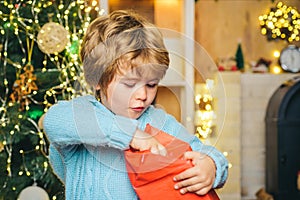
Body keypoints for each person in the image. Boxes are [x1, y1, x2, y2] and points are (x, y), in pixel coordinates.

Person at [41, 10, 228, 199]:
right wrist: (130, 134)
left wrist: (211, 166)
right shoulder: (82, 113)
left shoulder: (159, 121)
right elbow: (53, 120)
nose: (143, 95)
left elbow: (201, 150)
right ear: (97, 80)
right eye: (130, 84)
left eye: (151, 84)